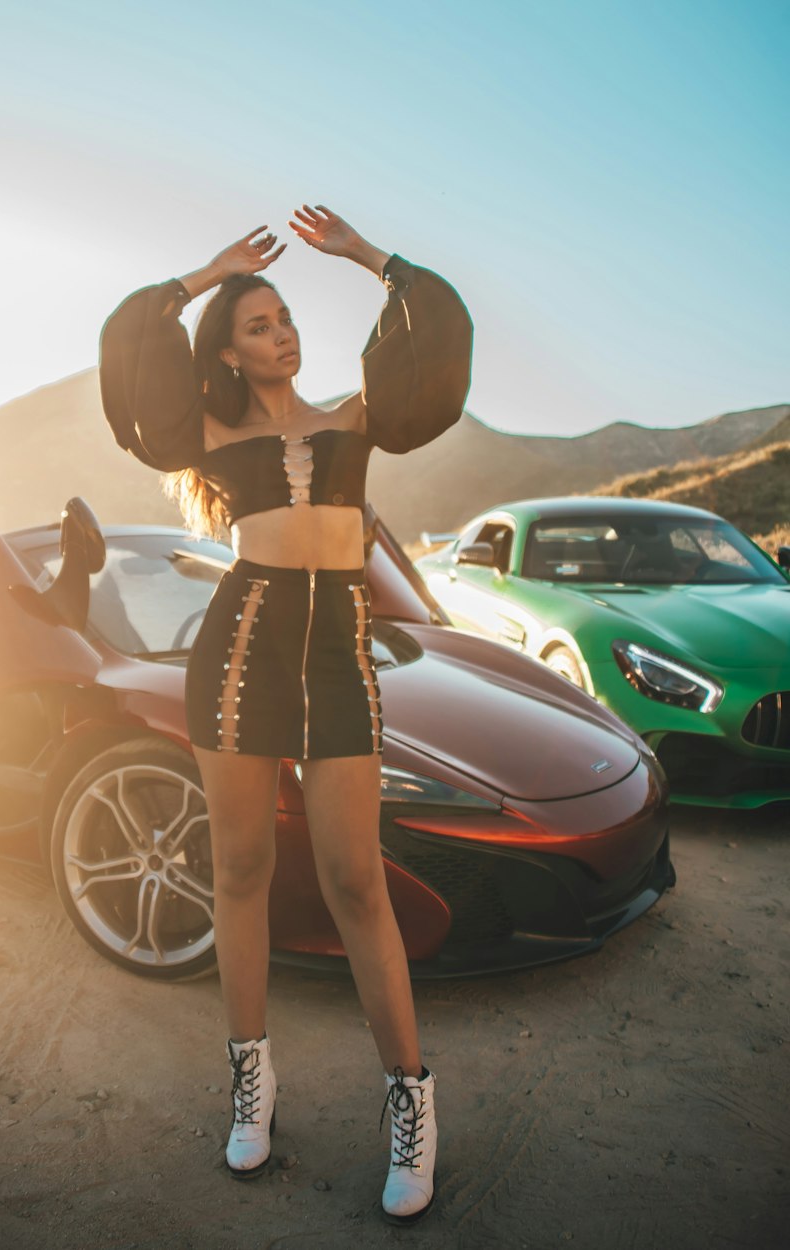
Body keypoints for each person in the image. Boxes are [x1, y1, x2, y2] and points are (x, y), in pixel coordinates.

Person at [99, 205, 473, 1224]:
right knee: (243, 872)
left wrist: (366, 256)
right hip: (238, 656)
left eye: (284, 317)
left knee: (356, 878)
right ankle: (250, 1083)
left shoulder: (354, 418)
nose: (281, 332)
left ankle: (408, 1098)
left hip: (337, 660)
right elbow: (136, 348)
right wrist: (204, 275)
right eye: (258, 323)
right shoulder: (211, 432)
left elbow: (432, 339)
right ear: (226, 349)